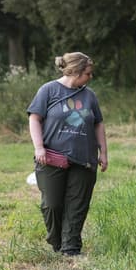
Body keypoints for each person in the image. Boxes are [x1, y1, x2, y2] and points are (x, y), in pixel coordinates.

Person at [27, 52, 108, 256]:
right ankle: (57, 243)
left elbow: (98, 123)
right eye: (88, 73)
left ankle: (71, 248)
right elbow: (34, 118)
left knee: (77, 205)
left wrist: (103, 152)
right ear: (76, 72)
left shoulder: (89, 95)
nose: (90, 77)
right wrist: (39, 148)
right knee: (52, 205)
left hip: (84, 159)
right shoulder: (48, 90)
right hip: (51, 158)